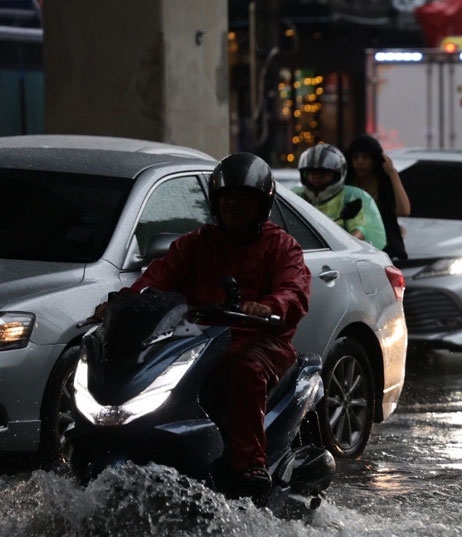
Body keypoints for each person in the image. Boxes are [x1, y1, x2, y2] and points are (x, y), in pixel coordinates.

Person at [104, 153, 311, 505]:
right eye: (228, 197)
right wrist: (120, 305)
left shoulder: (282, 246)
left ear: (262, 204)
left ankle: (250, 464)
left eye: (244, 198)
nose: (234, 204)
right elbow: (155, 278)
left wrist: (268, 306)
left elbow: (294, 290)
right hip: (197, 340)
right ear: (216, 201)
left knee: (240, 366)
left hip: (259, 341)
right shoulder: (196, 243)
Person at [294, 143, 388, 252]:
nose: (316, 176)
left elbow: (360, 231)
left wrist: (342, 249)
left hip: (338, 259)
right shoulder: (295, 196)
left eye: (323, 172)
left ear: (337, 174)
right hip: (296, 255)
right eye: (311, 172)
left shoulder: (353, 197)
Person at [345, 134, 410, 261]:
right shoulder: (346, 185)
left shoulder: (384, 184)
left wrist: (392, 173)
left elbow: (404, 210)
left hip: (384, 247)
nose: (360, 162)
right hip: (351, 244)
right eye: (355, 157)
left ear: (375, 159)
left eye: (365, 157)